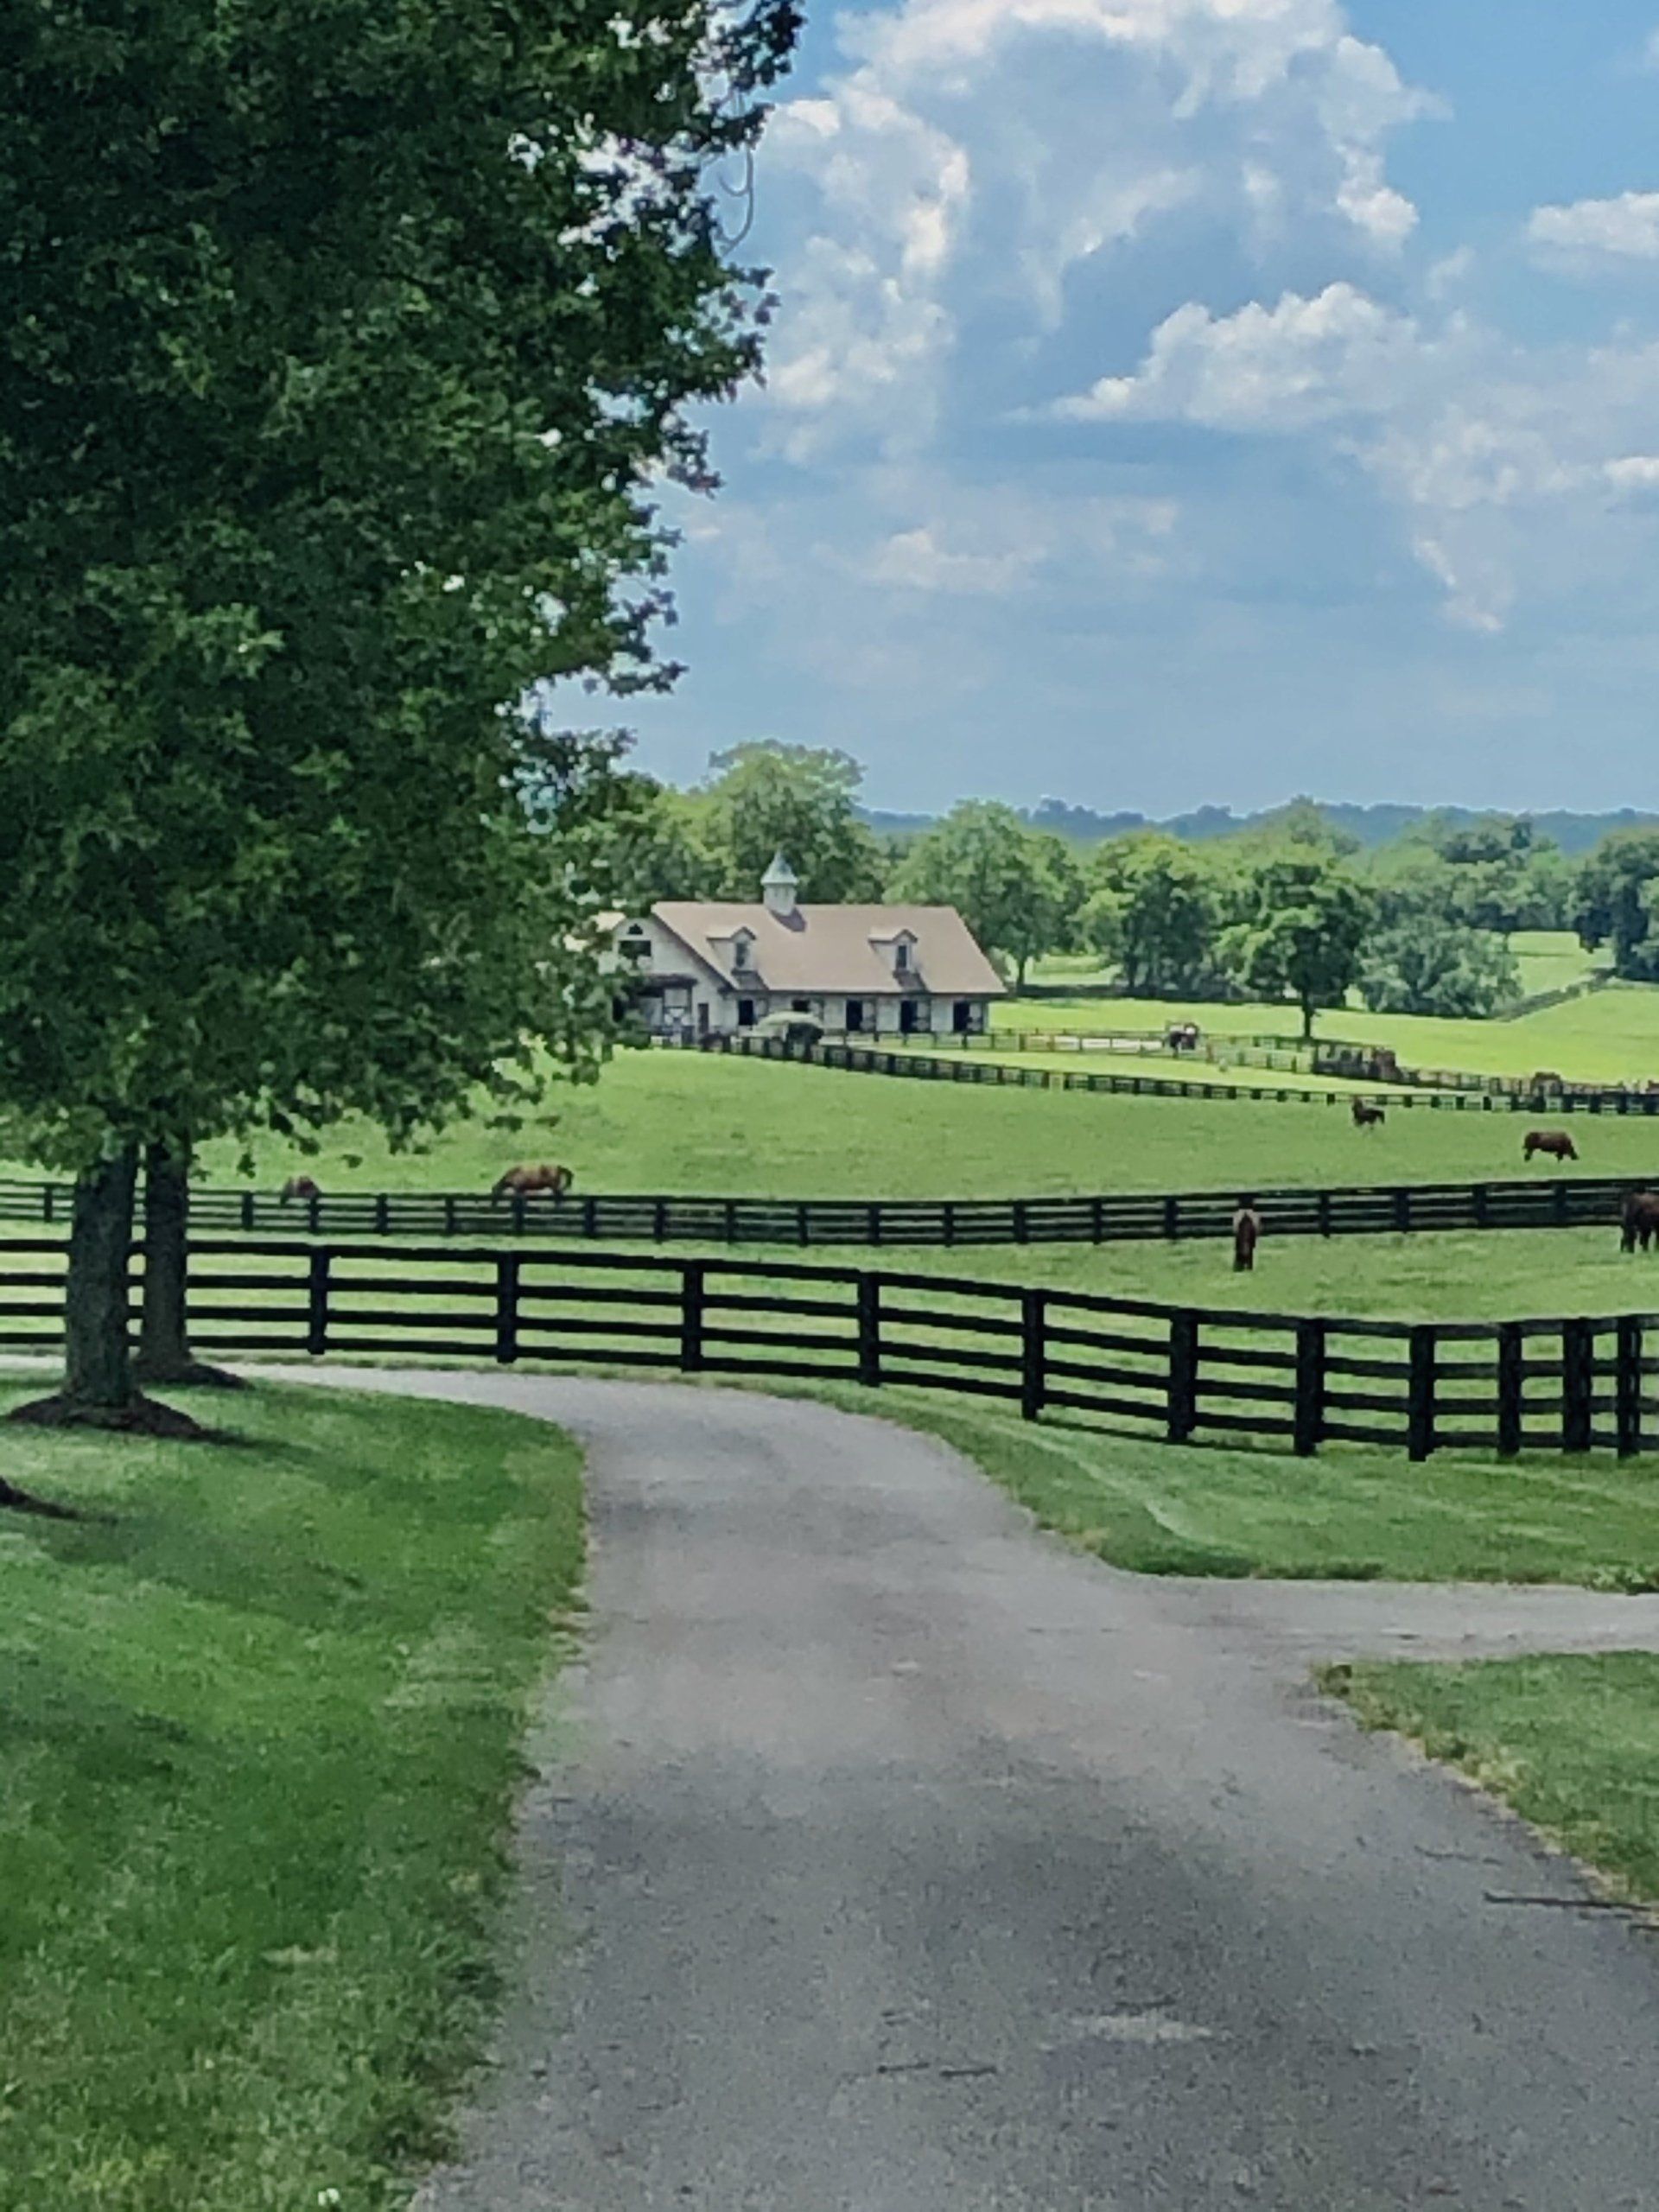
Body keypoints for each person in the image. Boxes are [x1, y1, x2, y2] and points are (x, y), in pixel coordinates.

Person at [1232, 1198, 1262, 1274]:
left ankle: (1240, 1265)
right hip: (1249, 1236)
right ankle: (1248, 1265)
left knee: (1240, 1248)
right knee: (1249, 1248)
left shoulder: (1238, 1215)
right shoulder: (1254, 1215)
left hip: (1241, 1236)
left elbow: (1235, 1228)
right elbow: (1257, 1228)